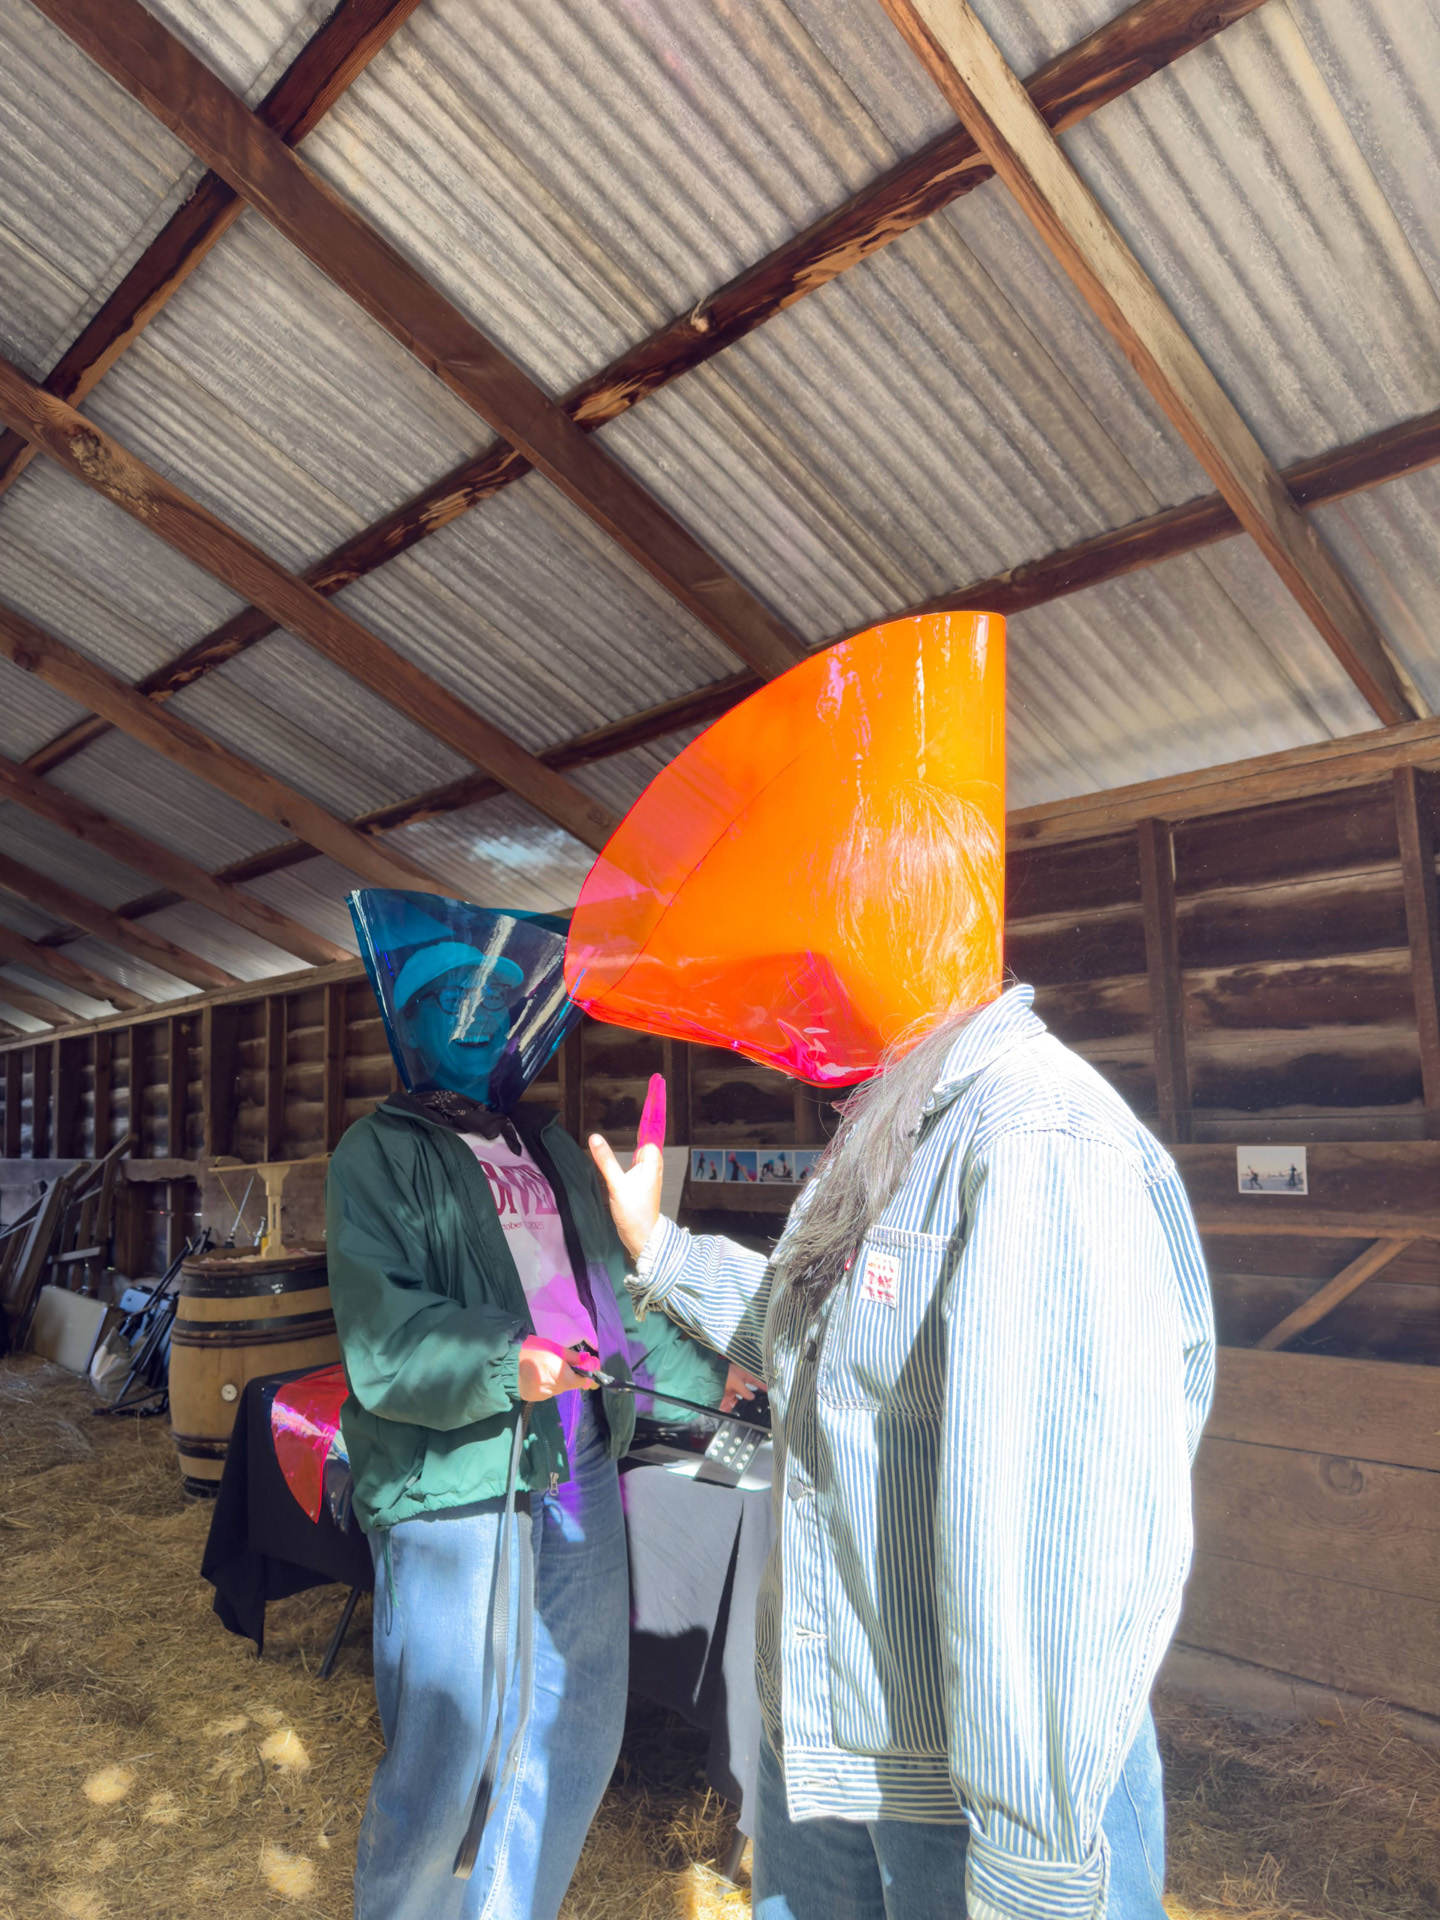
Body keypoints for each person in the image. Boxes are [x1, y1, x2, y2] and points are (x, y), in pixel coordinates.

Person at [591, 982, 1215, 1919]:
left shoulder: (1037, 1135)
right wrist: (665, 1250)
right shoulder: (890, 1120)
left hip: (964, 1780)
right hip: (831, 1720)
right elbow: (820, 1350)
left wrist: (1028, 1856)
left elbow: (1054, 1536)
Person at [325, 891, 749, 1920]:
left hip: (577, 1465)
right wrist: (503, 1361)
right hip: (455, 1481)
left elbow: (617, 1312)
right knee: (448, 1737)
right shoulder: (377, 1157)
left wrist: (714, 1377)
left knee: (574, 1716)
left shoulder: (551, 1151)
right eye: (452, 1006)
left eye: (500, 1006)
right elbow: (383, 1340)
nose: (480, 1022)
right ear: (410, 1024)